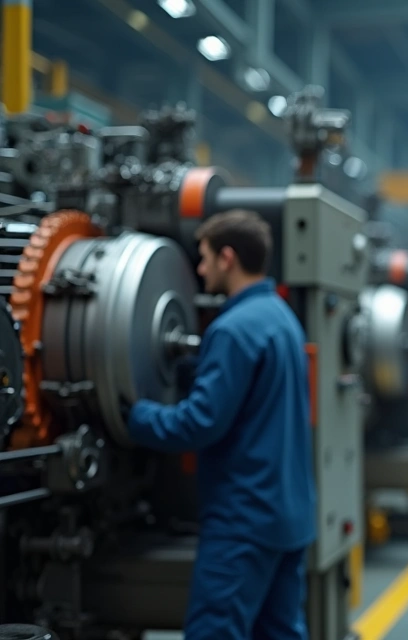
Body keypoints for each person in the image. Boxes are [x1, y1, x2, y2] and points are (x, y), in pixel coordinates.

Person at [125, 209, 316, 639]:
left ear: (228, 258)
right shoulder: (282, 318)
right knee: (281, 632)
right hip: (289, 515)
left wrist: (137, 416)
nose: (200, 268)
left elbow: (198, 424)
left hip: (243, 522)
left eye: (205, 257)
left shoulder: (233, 330)